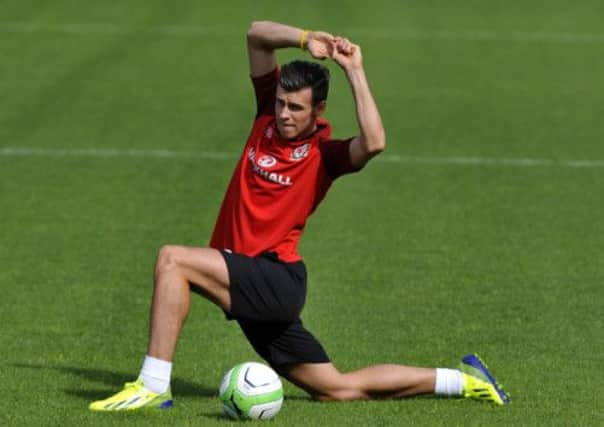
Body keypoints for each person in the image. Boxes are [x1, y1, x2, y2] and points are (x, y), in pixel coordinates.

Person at [89, 21, 509, 411]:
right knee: (338, 389)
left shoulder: (326, 156)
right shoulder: (265, 118)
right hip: (251, 277)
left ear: (318, 111)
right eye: (281, 103)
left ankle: (153, 385)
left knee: (172, 260)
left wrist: (354, 70)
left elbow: (375, 141)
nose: (284, 114)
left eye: (295, 108)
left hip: (275, 278)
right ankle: (464, 379)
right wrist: (306, 38)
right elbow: (256, 34)